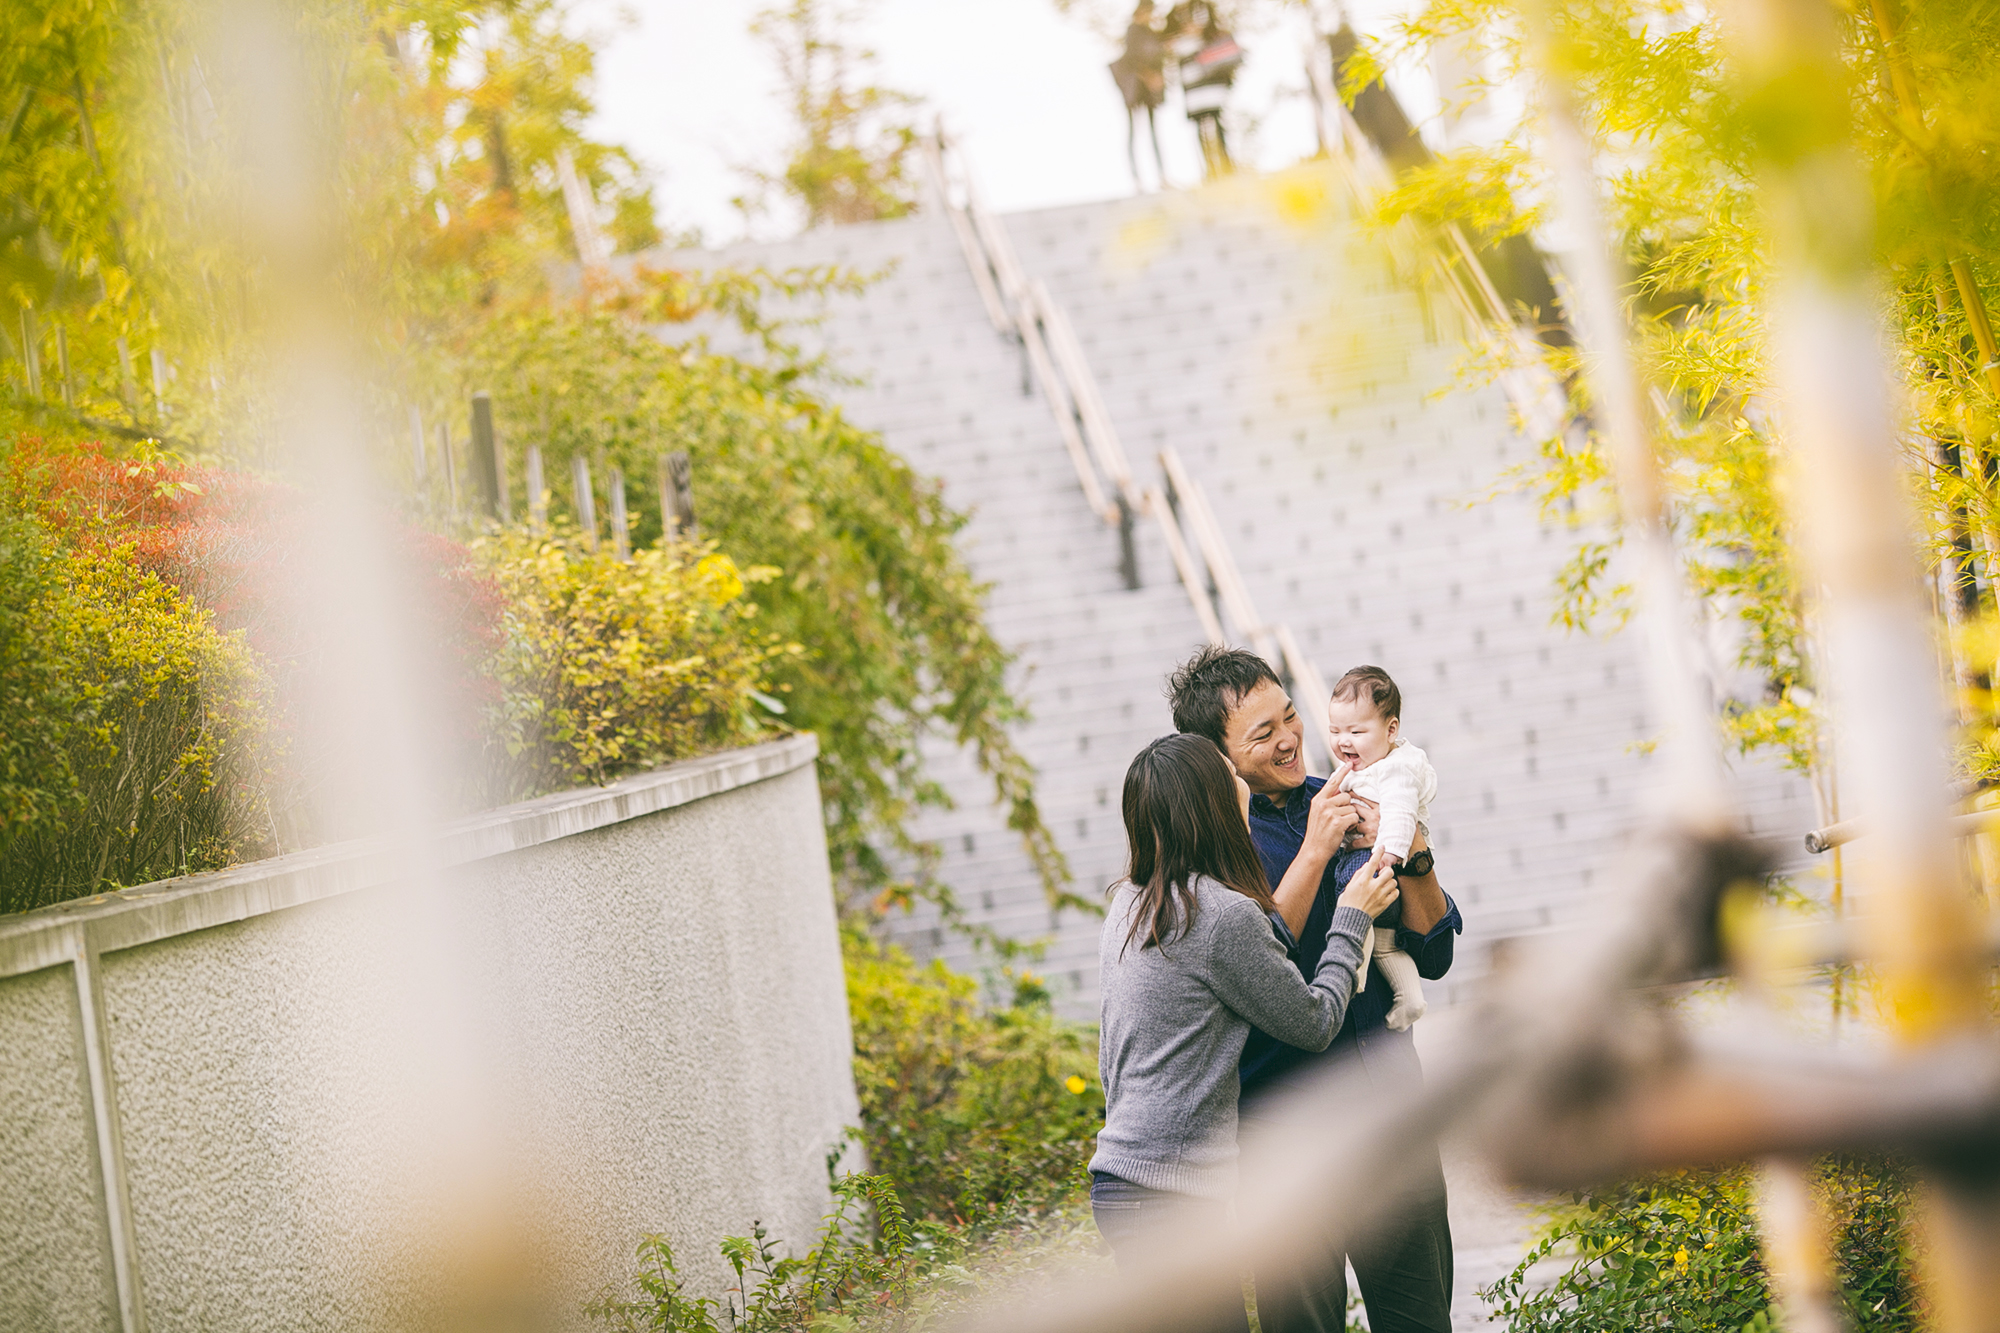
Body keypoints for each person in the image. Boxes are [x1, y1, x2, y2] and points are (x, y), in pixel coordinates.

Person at [1166, 646, 1464, 1333]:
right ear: (1218, 758)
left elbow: (1437, 953)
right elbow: (1258, 960)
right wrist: (1319, 850)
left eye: (1290, 715)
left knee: (1420, 1320)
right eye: (1262, 733)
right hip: (1281, 1132)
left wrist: (1413, 850)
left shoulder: (1354, 794)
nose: (1292, 739)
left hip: (1391, 1108)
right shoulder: (1211, 855)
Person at [1090, 732, 1401, 1333]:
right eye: (1230, 777)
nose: (1243, 784)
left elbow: (1252, 955)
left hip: (1124, 1183)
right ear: (1212, 805)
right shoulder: (1218, 914)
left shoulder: (1132, 904)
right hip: (1169, 1200)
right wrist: (1351, 917)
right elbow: (1313, 1022)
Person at [1329, 664, 1437, 1032]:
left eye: (1357, 731)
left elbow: (1402, 813)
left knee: (1357, 920)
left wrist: (1388, 855)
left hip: (1375, 868)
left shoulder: (1395, 769)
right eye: (1335, 731)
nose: (1344, 741)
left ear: (1391, 730)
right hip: (1387, 878)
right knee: (1388, 947)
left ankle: (1353, 980)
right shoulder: (1363, 767)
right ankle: (1411, 999)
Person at [1109, 1, 1167, 189]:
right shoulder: (1134, 31)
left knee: (1153, 131)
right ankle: (1137, 179)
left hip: (1147, 92)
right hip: (1134, 90)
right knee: (1134, 132)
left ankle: (1161, 176)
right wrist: (1149, 77)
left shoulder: (1150, 33)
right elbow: (1132, 59)